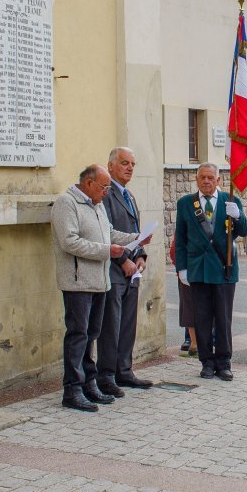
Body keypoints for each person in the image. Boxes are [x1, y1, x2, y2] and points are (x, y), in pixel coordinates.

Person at [51, 164, 139, 410]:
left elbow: (108, 234)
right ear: (88, 183)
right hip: (78, 282)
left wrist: (134, 239)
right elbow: (69, 242)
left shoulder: (97, 204)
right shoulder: (66, 204)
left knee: (92, 335)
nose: (107, 192)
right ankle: (72, 389)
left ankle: (90, 384)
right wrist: (106, 252)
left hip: (100, 282)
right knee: (78, 336)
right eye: (104, 187)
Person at [174, 163, 247, 381]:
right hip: (198, 270)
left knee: (224, 318)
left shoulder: (231, 200)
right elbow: (180, 238)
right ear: (197, 179)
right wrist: (182, 268)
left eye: (210, 178)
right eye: (202, 177)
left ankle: (224, 362)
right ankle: (206, 362)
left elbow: (244, 231)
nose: (206, 181)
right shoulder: (186, 203)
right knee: (202, 318)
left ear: (218, 180)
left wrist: (237, 216)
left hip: (224, 268)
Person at [99, 147, 153, 392]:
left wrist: (140, 255)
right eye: (124, 163)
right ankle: (107, 376)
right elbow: (105, 233)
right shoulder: (106, 194)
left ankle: (124, 370)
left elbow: (135, 231)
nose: (130, 167)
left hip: (133, 271)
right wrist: (123, 262)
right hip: (115, 270)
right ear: (111, 166)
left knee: (128, 325)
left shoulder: (129, 195)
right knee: (112, 325)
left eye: (133, 163)